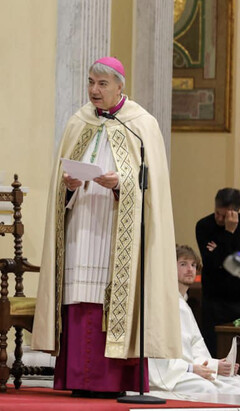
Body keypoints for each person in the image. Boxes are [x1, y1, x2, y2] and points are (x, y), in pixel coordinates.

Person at [32, 57, 181, 397]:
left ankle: (110, 380)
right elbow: (60, 181)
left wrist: (119, 184)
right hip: (81, 225)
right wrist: (68, 186)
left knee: (106, 297)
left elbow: (152, 186)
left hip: (115, 233)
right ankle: (76, 379)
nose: (94, 91)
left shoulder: (141, 124)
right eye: (90, 83)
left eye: (101, 84)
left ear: (119, 86)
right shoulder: (78, 122)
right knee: (79, 296)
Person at [149, 245, 240, 394]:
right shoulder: (165, 303)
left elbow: (195, 346)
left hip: (185, 369)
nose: (190, 269)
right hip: (170, 374)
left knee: (236, 383)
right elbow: (167, 352)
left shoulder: (183, 304)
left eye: (193, 265)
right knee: (208, 389)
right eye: (183, 264)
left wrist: (217, 364)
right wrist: (194, 368)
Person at [195, 188, 240, 356]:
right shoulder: (204, 226)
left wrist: (219, 249)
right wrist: (228, 233)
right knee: (214, 351)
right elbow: (212, 263)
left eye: (224, 215)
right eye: (217, 213)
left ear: (235, 212)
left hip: (237, 299)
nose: (219, 219)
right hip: (213, 301)